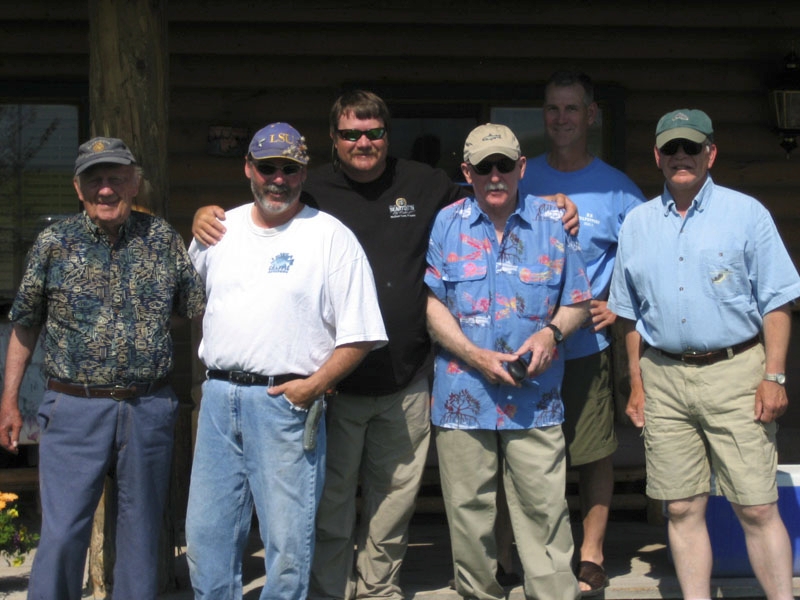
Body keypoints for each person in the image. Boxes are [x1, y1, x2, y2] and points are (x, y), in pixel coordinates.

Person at [191, 91, 579, 599]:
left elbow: (491, 188)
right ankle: (330, 592)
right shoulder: (310, 191)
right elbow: (263, 208)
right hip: (333, 384)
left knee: (392, 504)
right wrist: (204, 212)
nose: (363, 142)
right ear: (334, 141)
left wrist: (556, 202)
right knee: (328, 506)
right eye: (351, 133)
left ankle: (379, 591)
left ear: (386, 136)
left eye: (373, 132)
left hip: (407, 378)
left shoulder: (426, 183)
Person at [183, 122, 386, 600]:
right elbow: (188, 302)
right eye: (268, 167)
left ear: (303, 172)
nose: (278, 178)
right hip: (217, 400)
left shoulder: (330, 237)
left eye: (289, 169)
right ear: (248, 168)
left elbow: (361, 335)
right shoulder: (219, 230)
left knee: (288, 545)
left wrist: (312, 386)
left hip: (285, 404)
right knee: (207, 536)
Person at [0, 136, 206, 600]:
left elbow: (198, 313)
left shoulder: (163, 239)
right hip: (73, 407)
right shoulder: (54, 243)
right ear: (78, 187)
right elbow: (25, 324)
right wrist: (9, 402)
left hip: (149, 407)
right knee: (63, 532)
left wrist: (202, 388)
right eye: (95, 179)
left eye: (116, 178)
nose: (106, 189)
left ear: (134, 183)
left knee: (142, 531)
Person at [608, 109, 800, 600]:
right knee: (680, 507)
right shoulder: (637, 222)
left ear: (710, 153)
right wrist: (636, 381)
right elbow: (629, 314)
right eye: (670, 149)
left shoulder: (747, 213)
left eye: (690, 147)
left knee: (756, 505)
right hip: (663, 375)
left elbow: (778, 300)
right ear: (656, 156)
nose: (680, 157)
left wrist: (773, 377)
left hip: (736, 372)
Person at [425, 123, 592, 600]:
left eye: (503, 165)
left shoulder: (552, 222)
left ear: (521, 167)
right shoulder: (446, 223)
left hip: (534, 397)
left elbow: (578, 299)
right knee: (468, 512)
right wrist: (472, 354)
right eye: (483, 167)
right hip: (463, 393)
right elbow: (432, 301)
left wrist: (550, 331)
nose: (494, 176)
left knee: (544, 509)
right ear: (467, 172)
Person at [515, 70, 647, 594]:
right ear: (543, 115)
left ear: (591, 115)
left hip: (588, 343)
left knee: (592, 451)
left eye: (572, 109)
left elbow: (644, 262)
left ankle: (591, 553)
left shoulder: (618, 189)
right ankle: (533, 550)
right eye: (553, 109)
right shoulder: (524, 177)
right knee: (527, 448)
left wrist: (618, 302)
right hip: (527, 342)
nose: (562, 119)